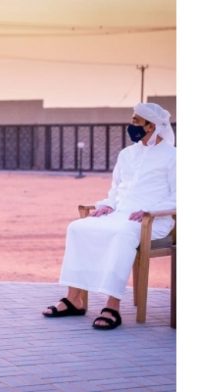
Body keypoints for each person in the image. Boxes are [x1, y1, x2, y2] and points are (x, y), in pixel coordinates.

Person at [42, 102, 176, 330]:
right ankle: (74, 299)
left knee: (123, 233)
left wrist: (150, 212)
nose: (131, 125)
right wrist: (107, 206)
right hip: (121, 214)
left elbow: (179, 195)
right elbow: (116, 190)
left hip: (152, 220)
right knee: (78, 227)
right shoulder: (127, 154)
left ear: (151, 126)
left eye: (136, 121)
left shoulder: (173, 156)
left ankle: (112, 305)